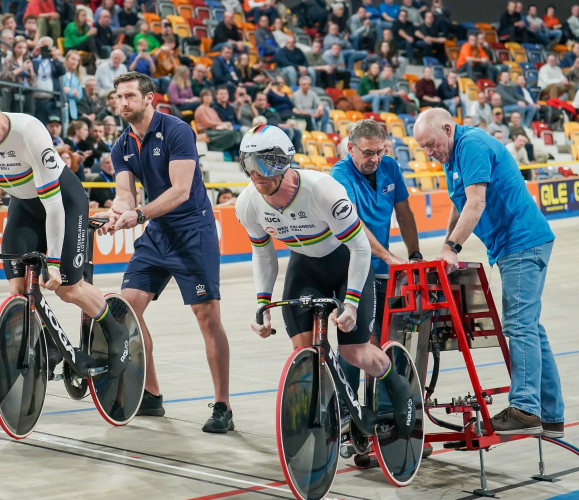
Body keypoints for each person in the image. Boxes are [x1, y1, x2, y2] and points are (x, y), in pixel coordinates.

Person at [0, 71, 131, 381]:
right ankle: (51, 344)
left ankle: (116, 330)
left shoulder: (28, 130)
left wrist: (55, 262)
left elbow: (53, 203)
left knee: (68, 289)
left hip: (63, 200)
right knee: (18, 289)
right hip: (24, 204)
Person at [237, 125, 418, 439]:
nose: (256, 174)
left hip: (345, 264)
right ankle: (335, 413)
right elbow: (263, 254)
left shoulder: (322, 190)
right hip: (305, 268)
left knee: (355, 353)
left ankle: (399, 386)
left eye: (263, 164)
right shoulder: (247, 203)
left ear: (282, 162)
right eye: (248, 165)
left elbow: (360, 247)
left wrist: (352, 303)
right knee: (304, 351)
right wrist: (262, 304)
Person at [413, 108, 562, 437]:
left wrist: (453, 247)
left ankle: (525, 409)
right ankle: (551, 415)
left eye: (431, 144)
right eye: (423, 148)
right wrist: (446, 247)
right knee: (530, 328)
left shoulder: (471, 145)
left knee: (519, 325)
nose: (430, 152)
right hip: (514, 245)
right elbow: (460, 203)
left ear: (448, 129)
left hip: (522, 242)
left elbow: (476, 202)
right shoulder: (453, 153)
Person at [98, 72, 232, 433]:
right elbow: (125, 194)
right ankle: (152, 394)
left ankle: (223, 405)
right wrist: (116, 213)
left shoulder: (176, 130)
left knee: (208, 318)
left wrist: (139, 214)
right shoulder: (122, 145)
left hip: (192, 232)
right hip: (157, 234)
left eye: (129, 96)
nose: (122, 103)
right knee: (125, 311)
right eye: (118, 97)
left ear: (149, 98)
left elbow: (181, 190)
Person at [329, 119, 421, 396]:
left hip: (382, 271)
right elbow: (353, 225)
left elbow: (404, 214)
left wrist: (414, 255)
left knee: (389, 341)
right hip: (352, 272)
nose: (376, 159)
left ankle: (387, 408)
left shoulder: (389, 166)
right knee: (354, 344)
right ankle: (347, 408)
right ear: (350, 149)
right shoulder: (340, 174)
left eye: (380, 151)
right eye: (369, 152)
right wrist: (390, 257)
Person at [194, 88, 242, 154]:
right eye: (206, 96)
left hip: (215, 129)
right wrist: (222, 123)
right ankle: (216, 147)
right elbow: (207, 123)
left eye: (210, 96)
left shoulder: (212, 109)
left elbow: (218, 120)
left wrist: (224, 125)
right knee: (230, 134)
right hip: (207, 131)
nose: (208, 98)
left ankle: (235, 154)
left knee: (237, 133)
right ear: (202, 97)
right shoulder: (200, 109)